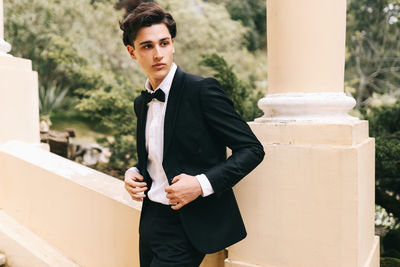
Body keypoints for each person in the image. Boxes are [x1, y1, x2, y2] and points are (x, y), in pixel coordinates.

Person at [120, 2, 264, 266]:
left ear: (173, 44)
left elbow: (252, 149)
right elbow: (156, 157)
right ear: (132, 52)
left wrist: (200, 184)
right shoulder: (142, 103)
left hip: (188, 225)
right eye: (147, 46)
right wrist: (133, 172)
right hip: (151, 221)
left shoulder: (202, 91)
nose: (158, 54)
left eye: (164, 43)